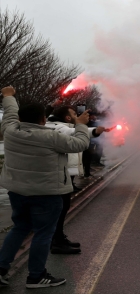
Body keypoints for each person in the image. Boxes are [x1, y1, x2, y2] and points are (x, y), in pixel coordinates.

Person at [0, 86, 90, 288]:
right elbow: (81, 143)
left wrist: (8, 97)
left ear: (21, 119)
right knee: (43, 234)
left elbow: (11, 114)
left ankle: (2, 268)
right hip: (47, 195)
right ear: (43, 120)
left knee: (19, 228)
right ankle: (36, 276)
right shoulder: (51, 138)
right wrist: (80, 124)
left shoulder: (11, 131)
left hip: (17, 191)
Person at [46, 106, 106, 254]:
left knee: (62, 208)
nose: (76, 115)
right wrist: (89, 129)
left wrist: (95, 131)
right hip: (58, 177)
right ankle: (56, 242)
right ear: (67, 118)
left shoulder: (58, 126)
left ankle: (59, 238)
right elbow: (74, 135)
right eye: (73, 113)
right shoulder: (60, 128)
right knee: (59, 209)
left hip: (60, 176)